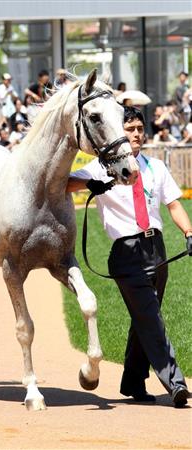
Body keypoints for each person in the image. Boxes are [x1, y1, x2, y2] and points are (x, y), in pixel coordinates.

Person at [67, 106, 191, 408]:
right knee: (151, 318)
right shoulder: (100, 166)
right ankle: (175, 383)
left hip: (157, 249)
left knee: (143, 319)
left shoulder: (156, 168)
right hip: (126, 254)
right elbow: (65, 182)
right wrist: (89, 184)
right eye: (129, 129)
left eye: (139, 128)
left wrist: (189, 233)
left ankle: (133, 381)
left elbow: (173, 205)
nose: (136, 134)